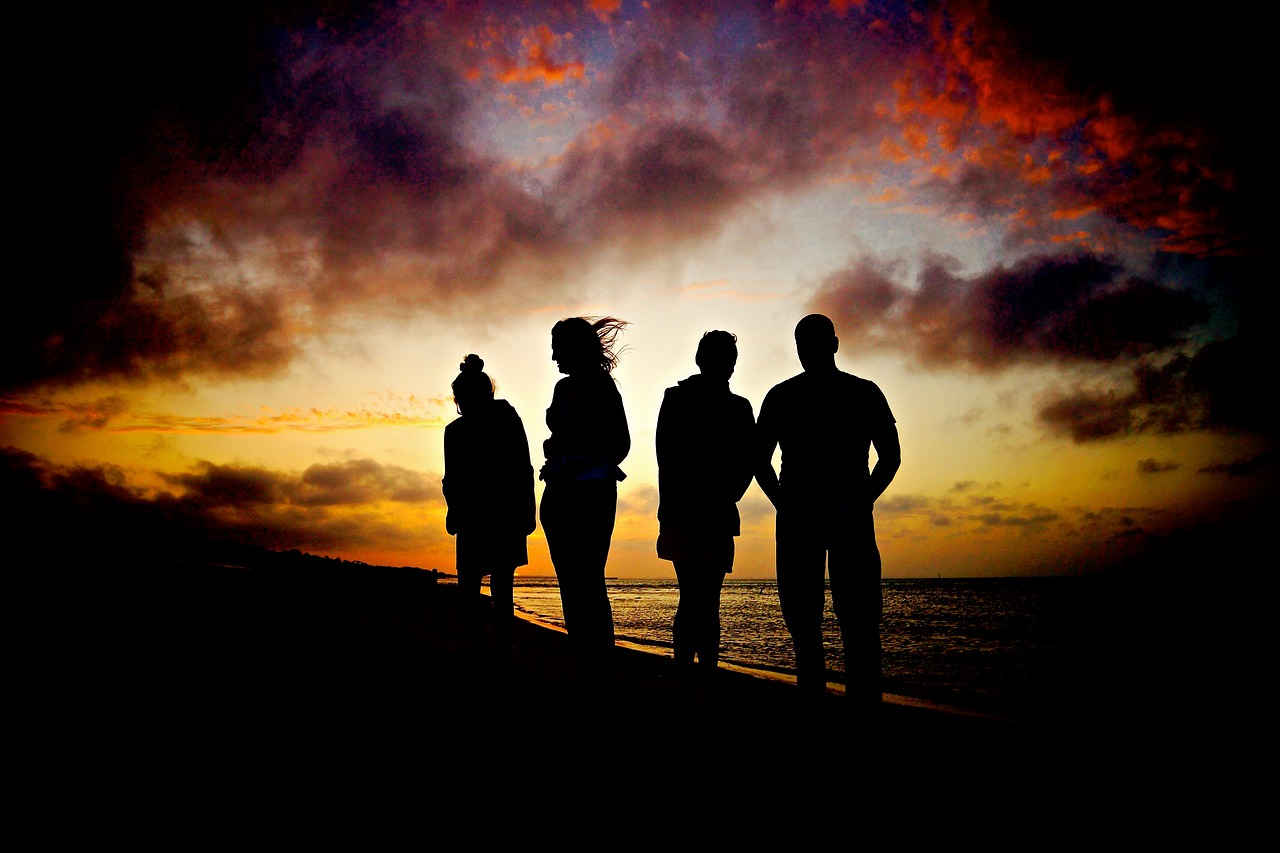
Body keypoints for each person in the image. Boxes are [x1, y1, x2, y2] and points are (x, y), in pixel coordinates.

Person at [755, 313, 901, 712]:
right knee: (838, 622)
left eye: (812, 344)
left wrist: (862, 498)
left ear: (832, 345)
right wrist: (862, 497)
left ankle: (831, 709)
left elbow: (890, 456)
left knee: (837, 622)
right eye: (806, 345)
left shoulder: (788, 395)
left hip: (826, 515)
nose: (809, 352)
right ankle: (845, 710)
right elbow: (890, 456)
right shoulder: (857, 392)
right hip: (826, 515)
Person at [656, 330, 756, 702]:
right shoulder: (686, 399)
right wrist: (727, 495)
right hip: (695, 514)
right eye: (724, 356)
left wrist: (728, 495)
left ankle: (694, 678)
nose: (727, 364)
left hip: (699, 513)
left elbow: (748, 461)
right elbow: (666, 456)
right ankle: (696, 678)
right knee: (701, 601)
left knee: (697, 600)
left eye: (729, 357)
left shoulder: (723, 405)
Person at [538, 316, 631, 689]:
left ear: (575, 347)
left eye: (557, 346)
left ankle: (598, 673)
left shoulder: (603, 387)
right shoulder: (563, 388)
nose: (552, 354)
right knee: (571, 586)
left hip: (590, 495)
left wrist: (572, 450)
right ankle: (583, 668)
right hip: (560, 495)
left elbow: (620, 445)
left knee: (589, 583)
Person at [443, 354, 536, 670]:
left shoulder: (501, 420)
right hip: (487, 516)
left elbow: (523, 467)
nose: (462, 403)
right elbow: (451, 479)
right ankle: (489, 652)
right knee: (487, 588)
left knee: (484, 588)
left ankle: (494, 653)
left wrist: (527, 511)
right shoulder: (459, 430)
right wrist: (453, 509)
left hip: (498, 515)